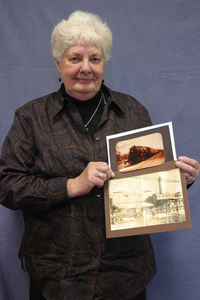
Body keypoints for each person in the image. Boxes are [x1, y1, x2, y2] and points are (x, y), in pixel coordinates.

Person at [0, 10, 199, 300]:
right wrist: (72, 185)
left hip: (125, 273)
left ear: (104, 64)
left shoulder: (133, 112)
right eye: (74, 58)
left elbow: (152, 182)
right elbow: (6, 186)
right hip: (58, 275)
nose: (86, 68)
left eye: (95, 58)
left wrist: (180, 180)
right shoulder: (31, 117)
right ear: (58, 64)